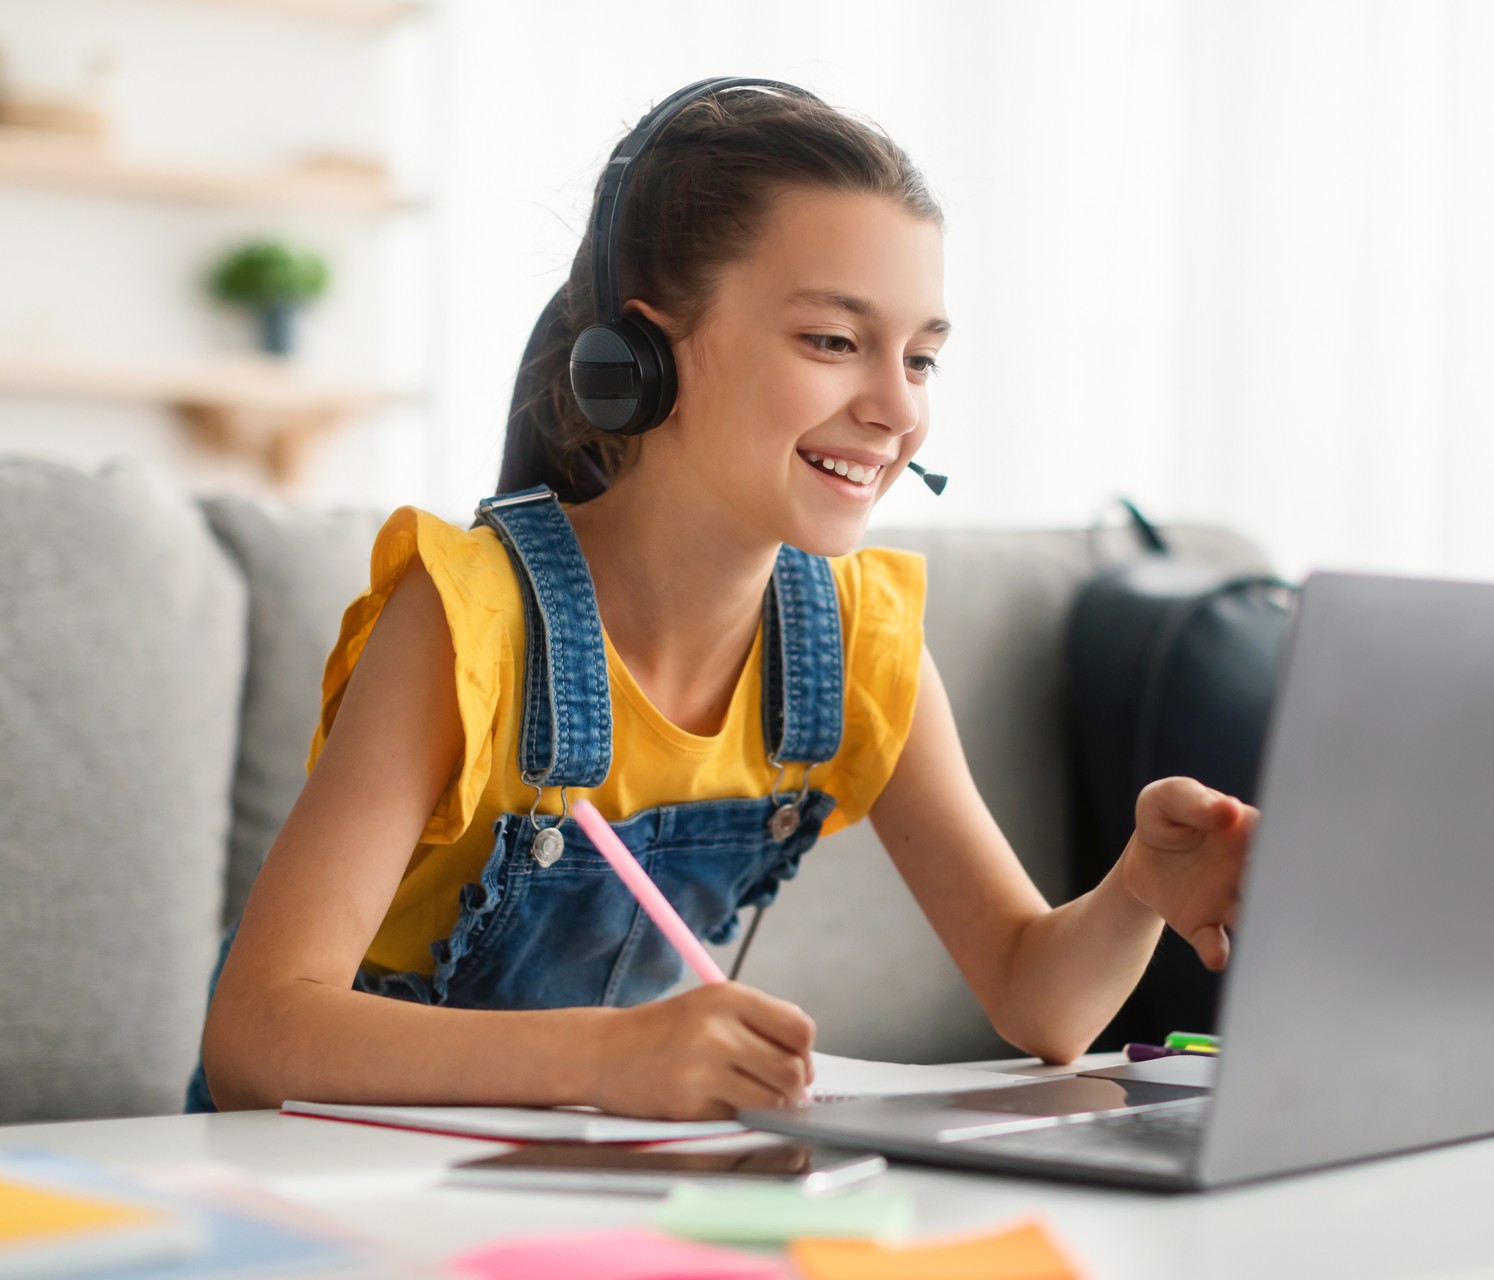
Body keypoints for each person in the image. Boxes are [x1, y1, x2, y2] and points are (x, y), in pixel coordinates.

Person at [192, 80, 1254, 1121]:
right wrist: (607, 1057)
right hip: (343, 1176)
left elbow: (1039, 998)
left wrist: (1140, 889)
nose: (896, 408)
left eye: (922, 356)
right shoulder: (467, 622)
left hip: (572, 1175)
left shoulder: (852, 645)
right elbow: (256, 1038)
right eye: (834, 341)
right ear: (643, 359)